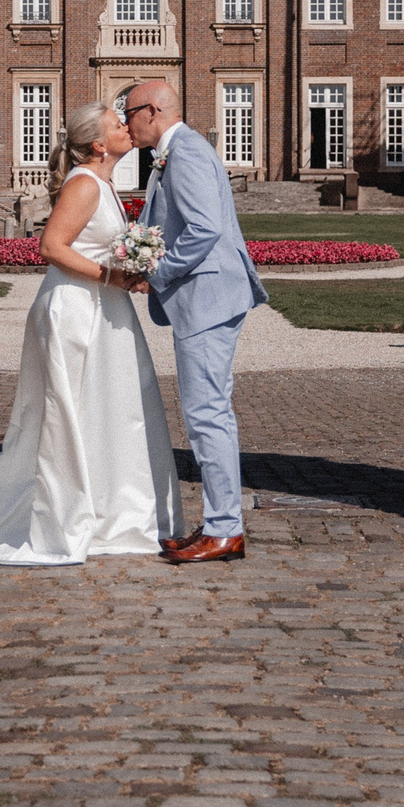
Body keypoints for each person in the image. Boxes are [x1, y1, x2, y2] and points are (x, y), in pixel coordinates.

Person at [0, 102, 183, 564]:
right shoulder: (84, 184)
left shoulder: (102, 184)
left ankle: (111, 508)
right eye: (118, 124)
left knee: (109, 408)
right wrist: (110, 276)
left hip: (102, 308)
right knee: (71, 411)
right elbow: (51, 246)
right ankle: (72, 513)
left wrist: (130, 266)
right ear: (98, 144)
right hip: (77, 309)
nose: (127, 127)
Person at [123, 78, 268, 564]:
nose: (126, 124)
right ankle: (219, 523)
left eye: (128, 114)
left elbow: (205, 227)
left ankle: (225, 529)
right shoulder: (179, 150)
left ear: (151, 111)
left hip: (207, 298)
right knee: (208, 412)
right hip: (209, 297)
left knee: (207, 415)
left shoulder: (183, 152)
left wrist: (157, 271)